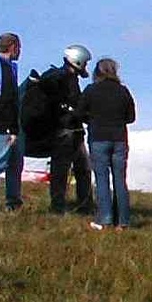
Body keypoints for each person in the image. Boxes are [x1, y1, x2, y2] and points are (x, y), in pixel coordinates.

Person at [78, 58, 136, 230]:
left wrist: (91, 119)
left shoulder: (91, 90)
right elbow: (131, 117)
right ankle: (123, 221)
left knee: (102, 179)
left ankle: (105, 219)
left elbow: (79, 113)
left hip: (98, 137)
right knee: (120, 180)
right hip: (119, 138)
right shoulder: (123, 91)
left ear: (98, 72)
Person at [39, 44, 94, 215]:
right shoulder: (68, 79)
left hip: (62, 130)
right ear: (77, 60)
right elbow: (76, 105)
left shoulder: (59, 78)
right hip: (68, 131)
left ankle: (60, 205)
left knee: (62, 170)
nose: (85, 67)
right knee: (79, 170)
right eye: (84, 63)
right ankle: (80, 206)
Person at [0, 33, 22, 212]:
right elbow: (4, 98)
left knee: (15, 163)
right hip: (0, 125)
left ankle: (13, 202)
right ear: (13, 46)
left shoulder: (9, 67)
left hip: (9, 125)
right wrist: (2, 120)